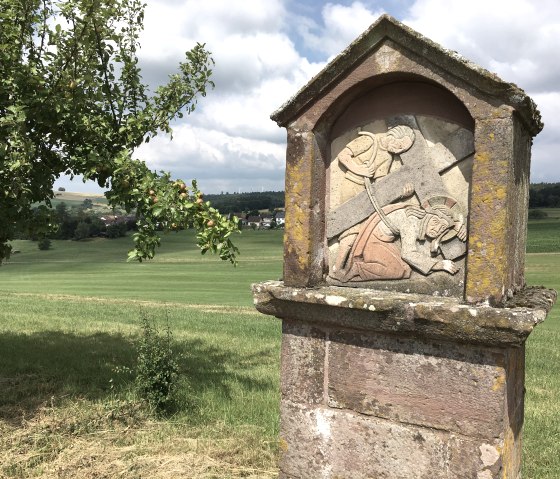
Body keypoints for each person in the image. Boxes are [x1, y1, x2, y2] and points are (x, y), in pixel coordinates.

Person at [332, 125, 415, 276]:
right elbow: (343, 156)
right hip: (352, 186)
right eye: (400, 145)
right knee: (352, 228)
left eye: (402, 149)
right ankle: (337, 268)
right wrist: (359, 169)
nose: (399, 150)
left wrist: (401, 194)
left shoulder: (388, 157)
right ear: (393, 135)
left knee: (366, 228)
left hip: (368, 192)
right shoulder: (370, 141)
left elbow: (381, 185)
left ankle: (350, 266)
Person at [332, 200, 466, 282]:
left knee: (406, 271)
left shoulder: (421, 220)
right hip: (374, 238)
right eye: (435, 222)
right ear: (428, 216)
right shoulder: (412, 221)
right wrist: (438, 265)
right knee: (398, 271)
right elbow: (408, 253)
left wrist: (459, 226)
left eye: (442, 227)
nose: (436, 229)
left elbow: (445, 230)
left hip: (385, 240)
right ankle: (358, 268)